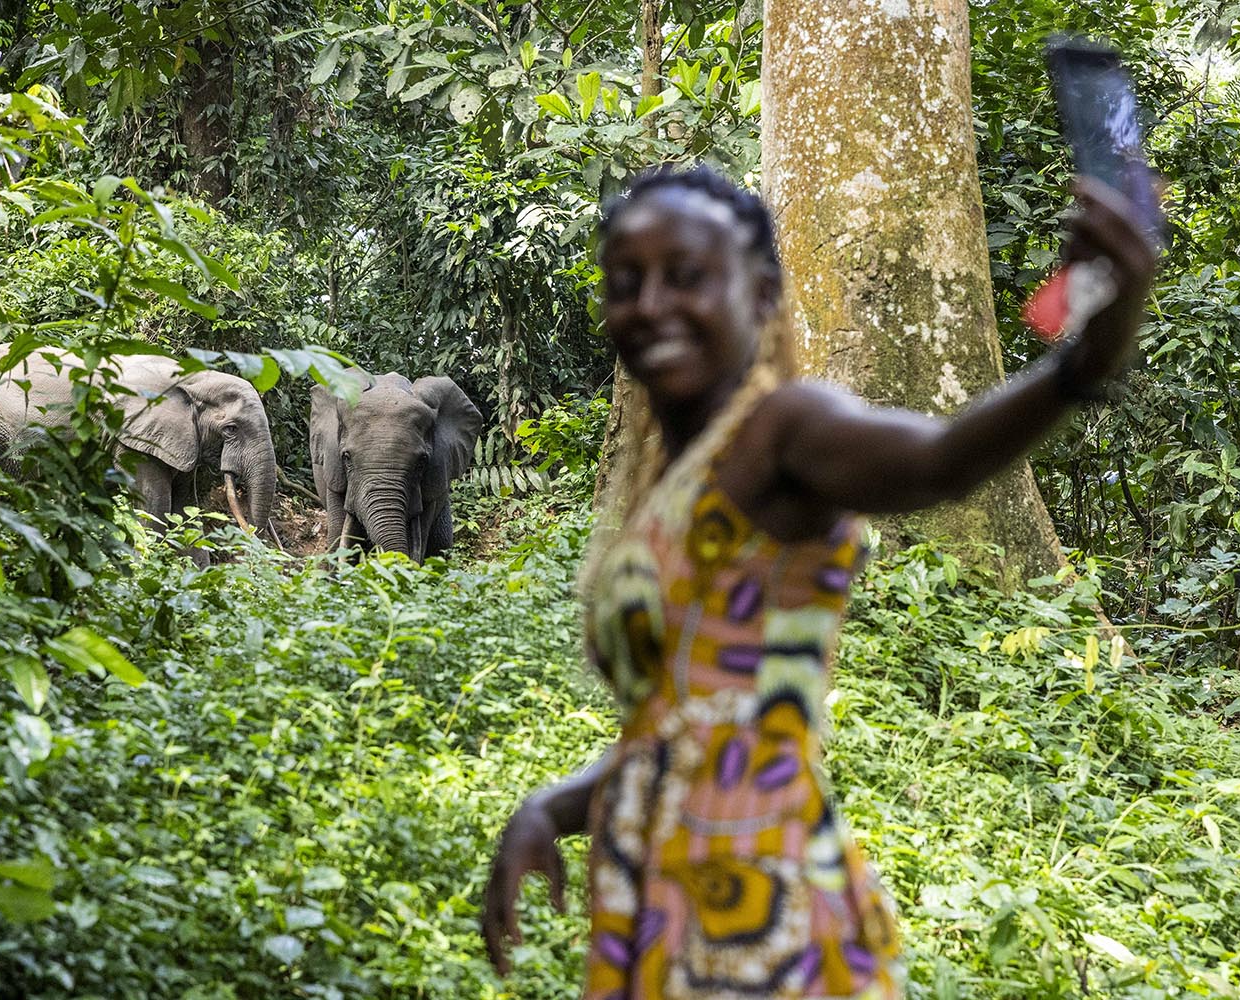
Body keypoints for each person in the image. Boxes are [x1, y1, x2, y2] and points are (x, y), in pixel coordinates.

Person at [480, 164, 1157, 998]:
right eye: (627, 282)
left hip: (755, 896)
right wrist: (548, 809)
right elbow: (675, 730)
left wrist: (1082, 361)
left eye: (685, 276)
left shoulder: (784, 428)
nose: (651, 303)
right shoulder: (676, 474)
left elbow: (934, 461)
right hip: (659, 889)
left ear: (760, 292)